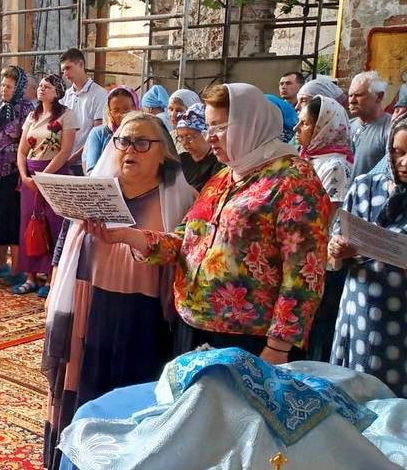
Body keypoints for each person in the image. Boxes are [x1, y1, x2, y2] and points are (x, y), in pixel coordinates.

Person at [89, 83, 331, 362]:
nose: (210, 137)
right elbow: (184, 240)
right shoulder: (224, 177)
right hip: (194, 326)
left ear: (250, 124)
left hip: (248, 339)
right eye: (209, 127)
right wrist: (125, 236)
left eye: (219, 127)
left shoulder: (293, 179)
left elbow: (304, 273)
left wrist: (278, 347)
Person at [42, 112, 196, 470]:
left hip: (142, 308)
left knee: (129, 387)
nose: (130, 150)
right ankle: (75, 468)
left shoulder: (183, 199)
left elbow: (184, 254)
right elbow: (66, 240)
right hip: (88, 298)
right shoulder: (96, 187)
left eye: (142, 143)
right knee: (85, 379)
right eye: (123, 141)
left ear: (164, 154)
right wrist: (52, 286)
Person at [329, 116, 407, 395]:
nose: (404, 162)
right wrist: (337, 247)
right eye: (398, 152)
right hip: (358, 306)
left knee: (392, 403)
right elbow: (337, 238)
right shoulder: (364, 186)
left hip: (401, 320)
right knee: (354, 390)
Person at [296, 95, 355, 362]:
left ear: (324, 128)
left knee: (317, 330)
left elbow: (324, 218)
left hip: (321, 261)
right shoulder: (305, 159)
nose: (298, 130)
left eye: (305, 124)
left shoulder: (334, 166)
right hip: (300, 257)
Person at [15, 75, 77, 297]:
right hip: (30, 177)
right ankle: (30, 276)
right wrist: (24, 175)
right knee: (28, 223)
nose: (41, 89)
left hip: (53, 174)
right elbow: (22, 150)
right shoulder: (32, 116)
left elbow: (65, 151)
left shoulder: (67, 115)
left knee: (53, 224)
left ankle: (51, 278)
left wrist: (44, 176)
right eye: (40, 85)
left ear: (57, 91)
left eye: (47, 86)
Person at [0, 65, 35, 280]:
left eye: (9, 86)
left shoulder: (26, 110)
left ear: (18, 87)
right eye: (2, 85)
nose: (4, 89)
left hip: (12, 171)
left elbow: (27, 140)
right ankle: (0, 263)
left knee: (11, 218)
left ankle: (17, 268)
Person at [59, 49, 108, 172]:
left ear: (81, 64)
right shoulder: (65, 96)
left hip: (86, 161)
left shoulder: (99, 94)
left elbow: (97, 133)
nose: (65, 73)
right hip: (63, 159)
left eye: (68, 68)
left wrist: (73, 158)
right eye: (63, 70)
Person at [82, 85, 140, 172]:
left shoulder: (143, 134)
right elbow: (92, 171)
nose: (121, 114)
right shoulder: (99, 134)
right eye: (116, 111)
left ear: (135, 108)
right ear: (109, 112)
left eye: (126, 110)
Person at [347, 71, 392, 178]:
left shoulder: (392, 129)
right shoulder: (347, 126)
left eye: (358, 95)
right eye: (350, 95)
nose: (352, 101)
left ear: (379, 96)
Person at [172, 103, 223, 191]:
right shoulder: (181, 160)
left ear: (205, 134)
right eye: (181, 137)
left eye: (189, 137)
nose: (185, 142)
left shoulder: (218, 163)